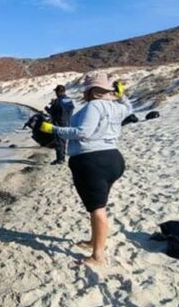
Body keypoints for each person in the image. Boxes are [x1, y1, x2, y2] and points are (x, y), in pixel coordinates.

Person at [39, 72, 132, 266]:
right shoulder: (116, 107)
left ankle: (98, 256)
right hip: (114, 159)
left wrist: (53, 129)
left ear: (90, 91)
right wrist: (121, 95)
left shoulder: (94, 105)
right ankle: (93, 241)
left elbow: (83, 133)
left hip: (92, 162)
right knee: (98, 206)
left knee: (98, 209)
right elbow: (128, 108)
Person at [45, 84, 75, 165]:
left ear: (58, 92)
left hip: (59, 123)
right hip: (67, 122)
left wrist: (47, 108)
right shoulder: (69, 100)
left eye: (56, 92)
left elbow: (51, 112)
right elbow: (70, 109)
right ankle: (62, 157)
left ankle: (60, 159)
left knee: (59, 142)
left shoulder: (57, 101)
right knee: (64, 141)